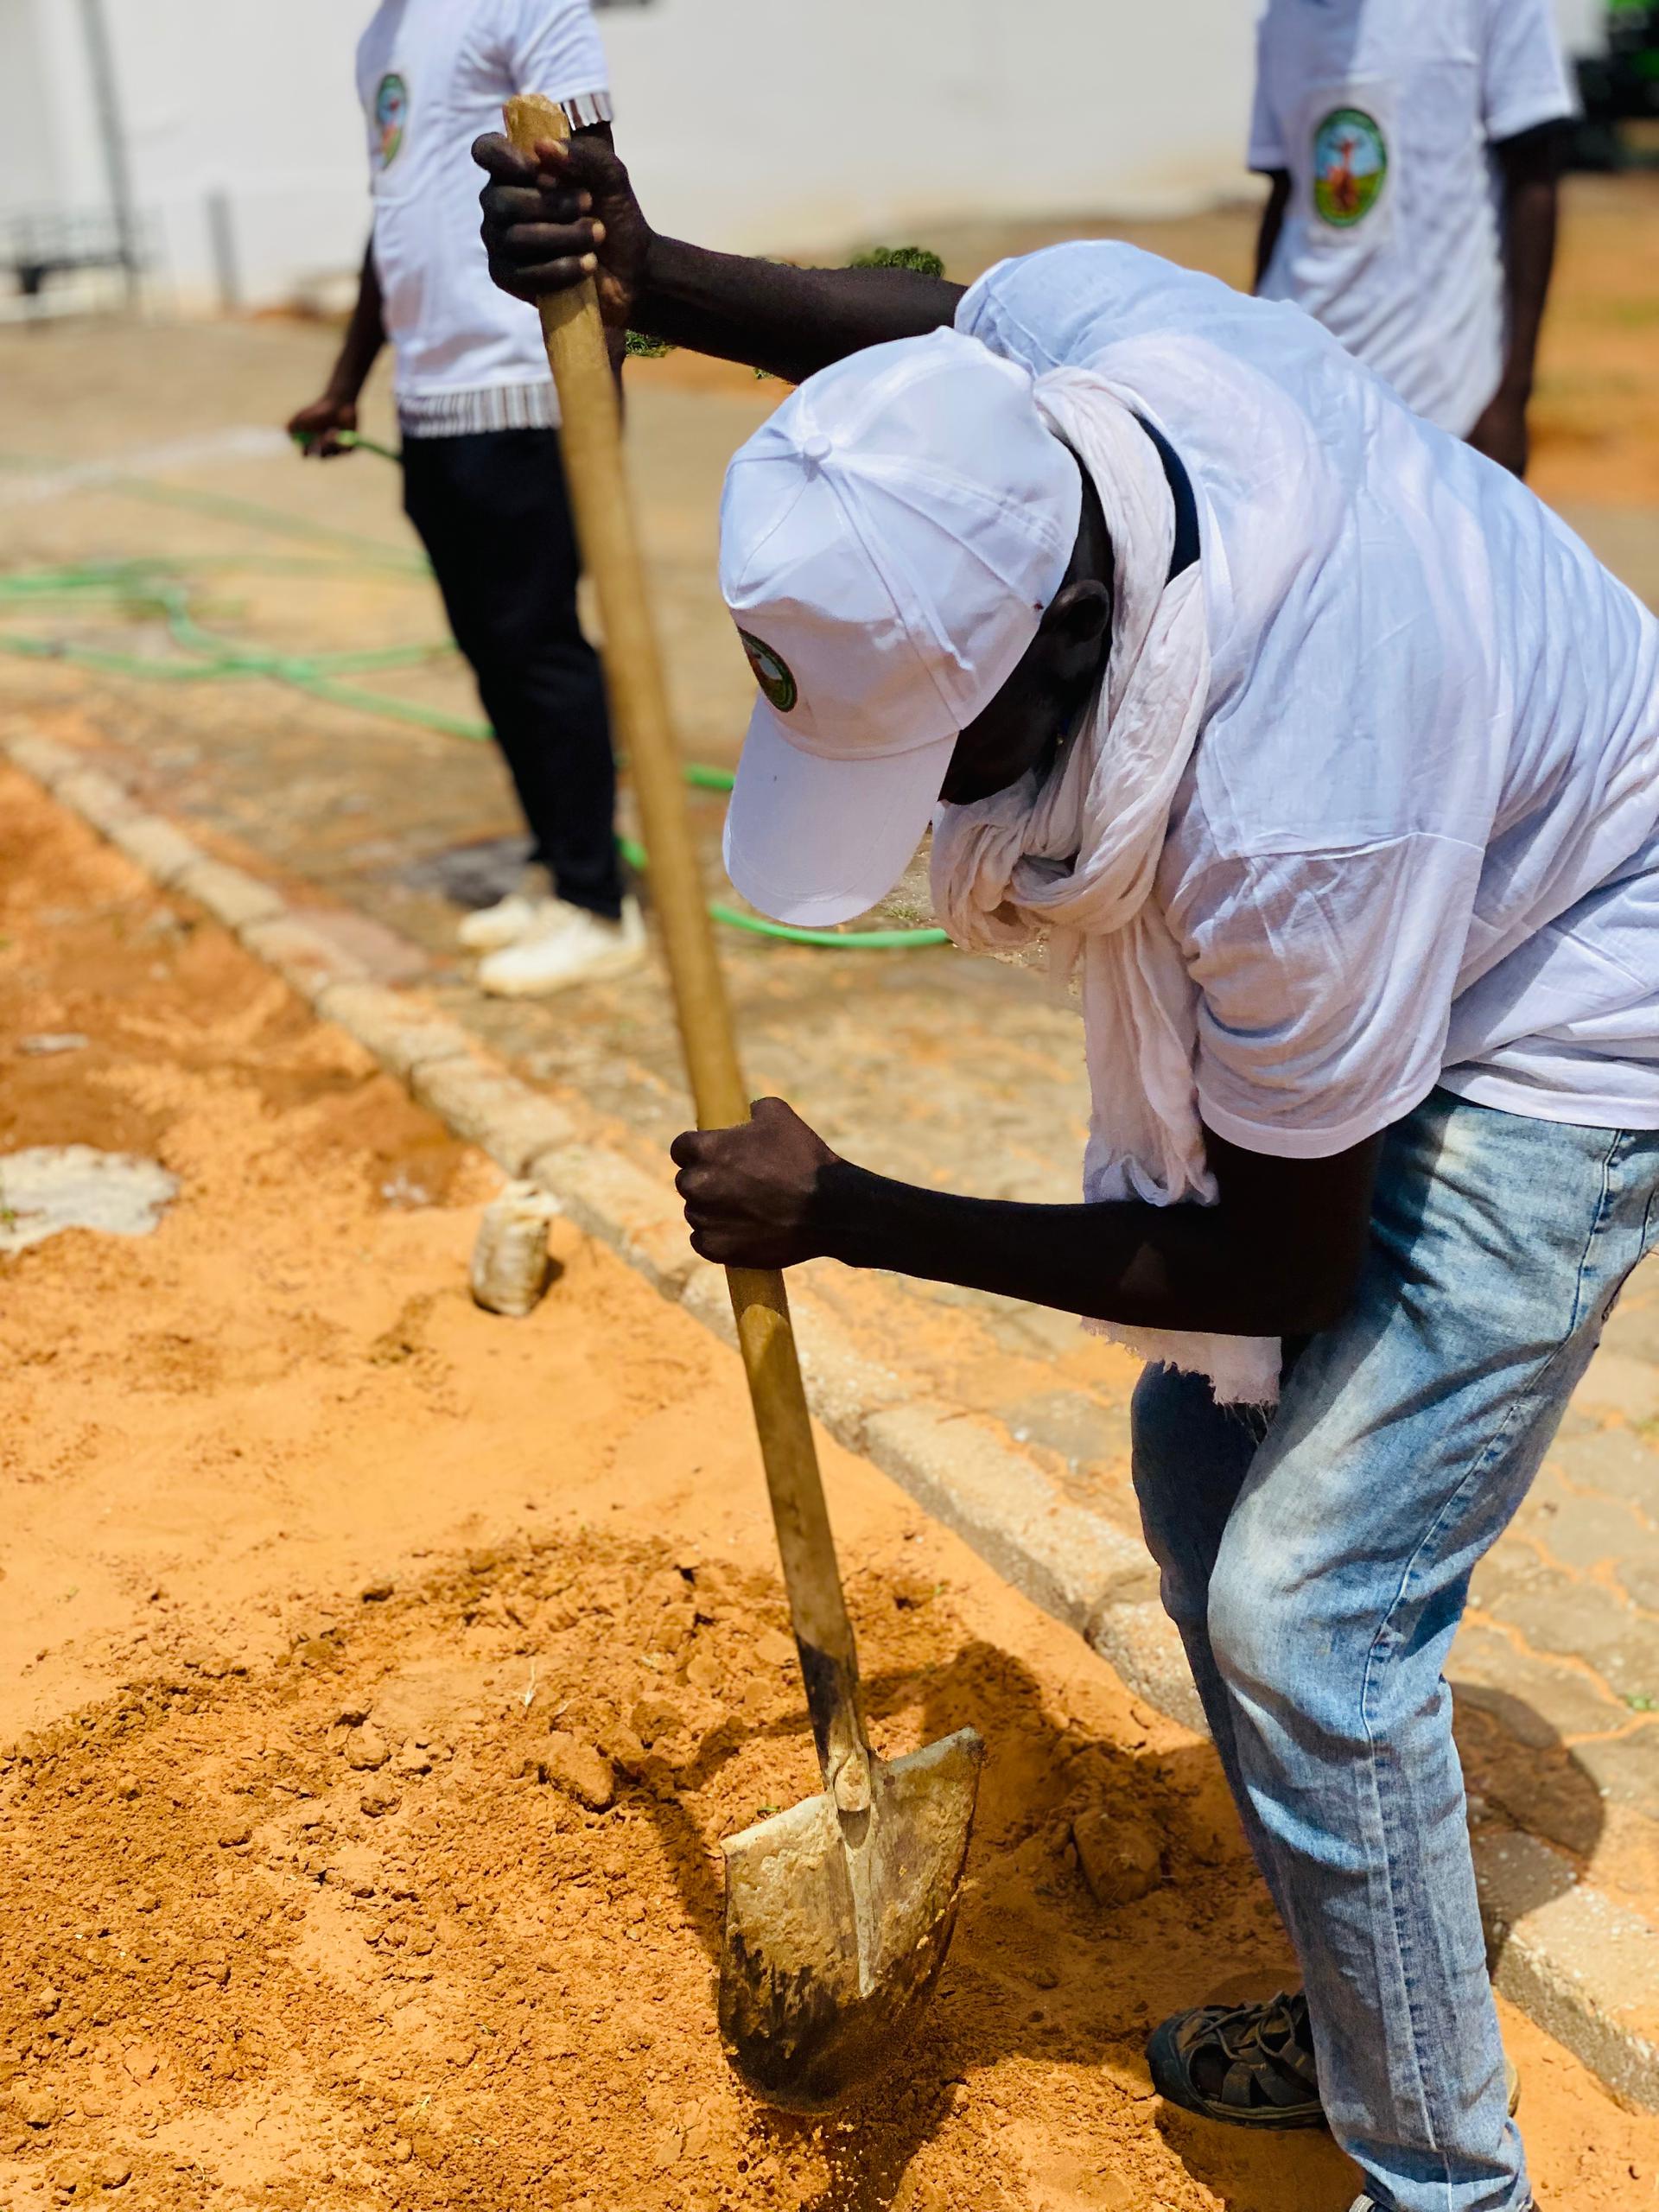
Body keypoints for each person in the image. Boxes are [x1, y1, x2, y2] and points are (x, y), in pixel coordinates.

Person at [475, 131, 1659, 2212]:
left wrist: (854, 1212)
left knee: (1308, 1614)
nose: (932, 802)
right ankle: (1373, 2002)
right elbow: (937, 333)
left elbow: (1272, 1265)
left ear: (1077, 623)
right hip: (1443, 868)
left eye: (942, 744)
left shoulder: (1292, 821)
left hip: (1575, 976)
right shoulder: (1101, 340)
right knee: (1197, 1473)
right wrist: (657, 276)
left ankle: (1449, 2183)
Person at [287, 0, 645, 997]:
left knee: (540, 649)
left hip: (524, 385)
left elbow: (596, 185)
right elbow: (394, 217)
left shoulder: (520, 6)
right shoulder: (382, 36)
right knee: (493, 652)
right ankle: (557, 862)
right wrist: (348, 382)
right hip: (430, 401)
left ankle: (597, 905)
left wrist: (605, 377)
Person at [1249, 0, 1576, 478]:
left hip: (1439, 404)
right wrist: (1255, 351)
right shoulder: (1282, 17)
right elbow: (1286, 195)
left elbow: (1534, 181)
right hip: (1302, 392)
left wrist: (1512, 396)